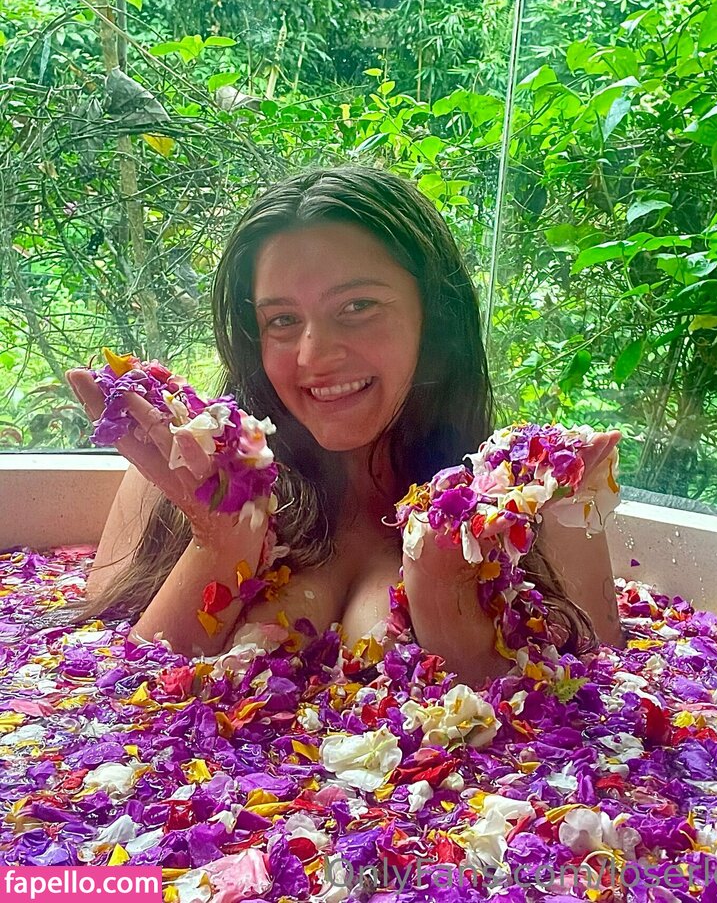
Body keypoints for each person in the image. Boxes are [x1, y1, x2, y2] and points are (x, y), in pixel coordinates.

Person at [67, 166, 622, 687]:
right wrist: (220, 539)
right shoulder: (177, 477)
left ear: (434, 319)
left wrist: (444, 596)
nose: (313, 356)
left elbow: (580, 719)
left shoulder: (541, 506)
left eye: (357, 307)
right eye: (283, 320)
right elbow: (111, 700)